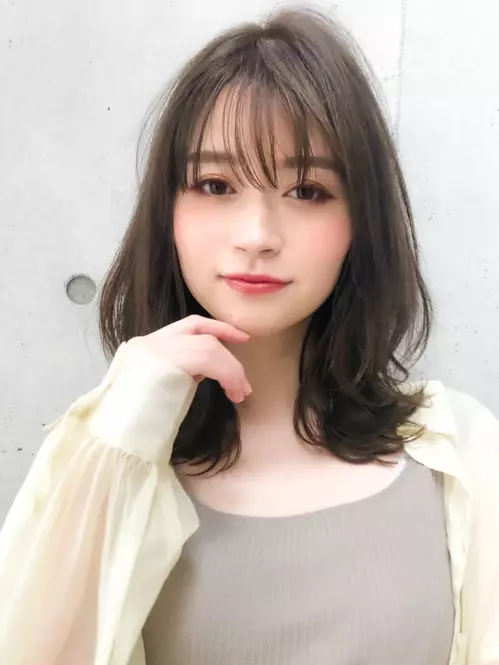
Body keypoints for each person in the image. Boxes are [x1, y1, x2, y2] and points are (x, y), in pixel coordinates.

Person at [0, 6, 498, 665]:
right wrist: (121, 435)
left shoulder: (459, 455)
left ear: (361, 221)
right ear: (167, 212)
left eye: (307, 190)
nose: (257, 234)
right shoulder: (108, 455)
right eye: (215, 184)